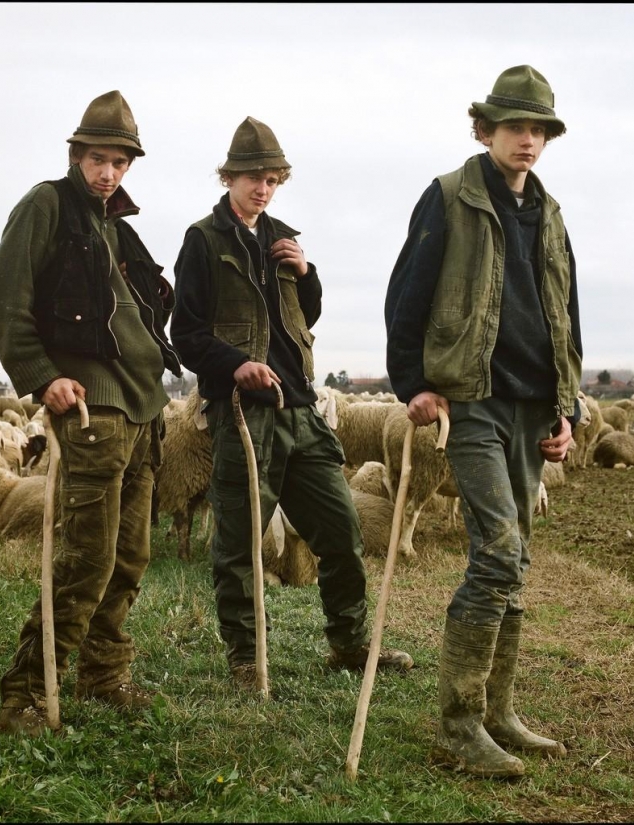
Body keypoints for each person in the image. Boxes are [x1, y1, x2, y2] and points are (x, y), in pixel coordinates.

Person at [384, 65, 582, 778]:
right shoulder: (447, 198)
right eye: (514, 127)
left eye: (538, 130)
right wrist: (411, 382)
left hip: (534, 406)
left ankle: (497, 712)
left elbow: (564, 310)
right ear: (483, 130)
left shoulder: (550, 213)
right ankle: (457, 726)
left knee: (515, 564)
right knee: (495, 554)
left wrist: (568, 406)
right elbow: (406, 294)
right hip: (470, 400)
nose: (527, 140)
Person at [170, 116, 413, 690]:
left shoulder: (282, 235)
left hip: (302, 410)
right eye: (252, 176)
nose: (262, 188)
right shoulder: (203, 241)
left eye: (272, 178)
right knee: (240, 543)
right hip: (244, 415)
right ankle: (246, 661)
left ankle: (350, 644)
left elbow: (306, 316)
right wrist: (237, 365)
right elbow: (186, 334)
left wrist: (306, 274)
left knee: (341, 530)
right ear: (228, 177)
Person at [0, 90, 181, 736]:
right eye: (98, 159)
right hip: (93, 408)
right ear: (76, 155)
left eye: (120, 162)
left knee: (129, 554)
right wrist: (43, 377)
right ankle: (26, 692)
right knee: (86, 557)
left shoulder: (117, 227)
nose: (109, 173)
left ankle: (102, 669)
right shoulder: (48, 206)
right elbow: (0, 298)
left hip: (143, 408)